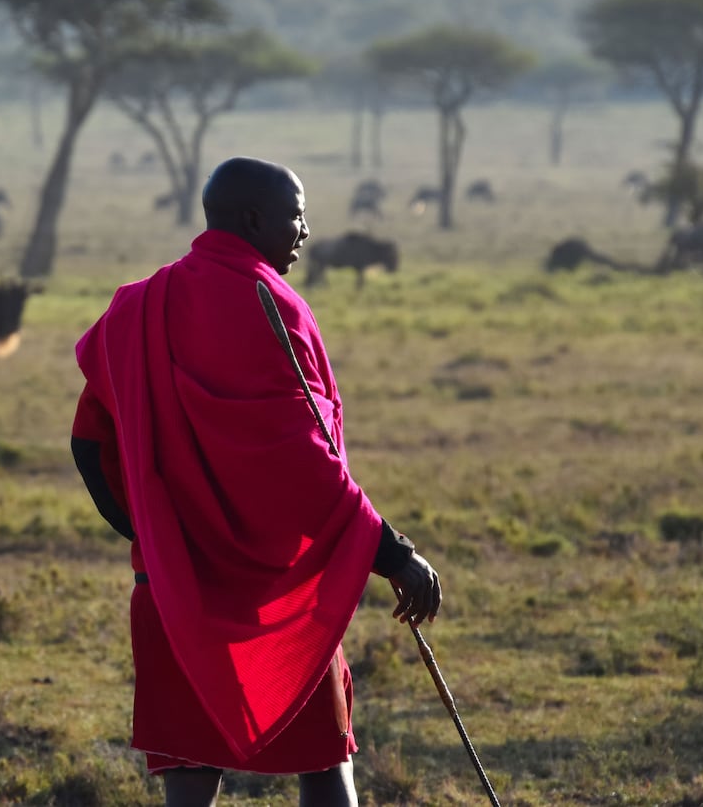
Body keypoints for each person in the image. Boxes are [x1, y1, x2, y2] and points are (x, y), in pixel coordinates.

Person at [70, 156, 441, 807]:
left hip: (173, 583)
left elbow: (87, 441)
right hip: (276, 590)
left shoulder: (137, 305)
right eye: (295, 216)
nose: (304, 232)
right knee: (326, 766)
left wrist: (153, 530)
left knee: (188, 778)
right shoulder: (271, 305)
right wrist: (396, 555)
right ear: (251, 220)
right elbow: (303, 462)